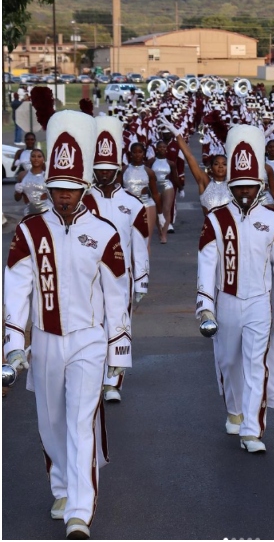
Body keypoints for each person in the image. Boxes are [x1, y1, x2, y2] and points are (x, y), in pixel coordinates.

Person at [4, 110, 133, 540]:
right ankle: (61, 485)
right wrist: (12, 344)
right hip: (44, 341)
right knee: (50, 423)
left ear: (83, 188)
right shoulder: (29, 231)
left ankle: (80, 510)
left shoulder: (104, 231)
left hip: (89, 341)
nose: (63, 197)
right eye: (57, 189)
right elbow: (16, 290)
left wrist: (119, 350)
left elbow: (118, 294)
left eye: (71, 189)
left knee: (81, 423)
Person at [196, 124, 274, 453]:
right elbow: (207, 264)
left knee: (256, 363)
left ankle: (253, 428)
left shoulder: (273, 220)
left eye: (250, 186)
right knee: (228, 360)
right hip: (225, 301)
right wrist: (204, 305)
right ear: (232, 186)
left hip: (259, 304)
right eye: (239, 186)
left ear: (260, 185)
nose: (245, 192)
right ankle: (234, 409)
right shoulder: (216, 218)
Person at [82, 116, 151, 403]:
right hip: (88, 275)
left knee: (119, 323)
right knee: (92, 324)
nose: (104, 174)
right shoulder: (83, 201)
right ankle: (93, 376)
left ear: (119, 169)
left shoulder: (133, 204)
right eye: (99, 169)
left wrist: (142, 281)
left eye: (109, 169)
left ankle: (113, 381)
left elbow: (140, 244)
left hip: (122, 275)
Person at [122, 142, 161, 249]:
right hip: (128, 208)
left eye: (140, 152)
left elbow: (155, 194)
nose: (137, 155)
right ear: (130, 154)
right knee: (128, 241)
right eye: (134, 152)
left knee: (145, 240)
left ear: (144, 153)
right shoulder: (124, 170)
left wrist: (160, 215)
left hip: (146, 206)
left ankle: (145, 265)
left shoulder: (149, 172)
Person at [150, 140, 177, 244]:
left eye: (164, 147)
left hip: (167, 185)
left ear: (166, 149)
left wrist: (181, 187)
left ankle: (164, 234)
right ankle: (160, 230)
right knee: (158, 210)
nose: (162, 149)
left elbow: (174, 177)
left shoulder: (170, 163)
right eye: (160, 147)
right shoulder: (151, 161)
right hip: (155, 186)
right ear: (156, 149)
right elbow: (147, 173)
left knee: (166, 209)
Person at [14, 148, 50, 215]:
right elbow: (17, 199)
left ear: (43, 159)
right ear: (30, 159)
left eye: (39, 156)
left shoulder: (47, 176)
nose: (36, 158)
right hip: (28, 212)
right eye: (33, 156)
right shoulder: (22, 175)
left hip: (46, 212)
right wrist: (18, 191)